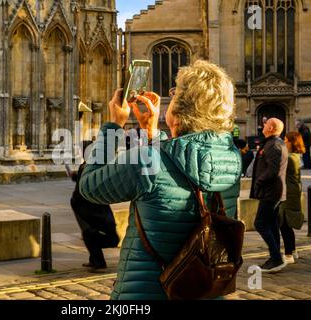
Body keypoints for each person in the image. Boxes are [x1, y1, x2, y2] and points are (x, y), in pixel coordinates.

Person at [79, 60, 242, 300]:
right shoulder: (230, 159)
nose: (171, 98)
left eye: (175, 94)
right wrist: (152, 133)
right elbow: (184, 163)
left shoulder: (147, 160)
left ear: (180, 111)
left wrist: (114, 126)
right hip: (205, 289)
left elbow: (89, 186)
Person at [70, 141, 119, 270]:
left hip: (94, 206)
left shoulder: (95, 166)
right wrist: (75, 176)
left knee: (106, 237)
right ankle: (97, 261)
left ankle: (97, 260)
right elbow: (83, 179)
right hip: (86, 206)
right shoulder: (86, 166)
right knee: (90, 233)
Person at [250, 118, 288, 273]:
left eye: (265, 124)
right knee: (271, 224)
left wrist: (259, 181)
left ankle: (276, 258)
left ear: (271, 127)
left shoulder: (274, 145)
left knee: (260, 223)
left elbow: (273, 171)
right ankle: (275, 257)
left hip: (271, 192)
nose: (262, 125)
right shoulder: (272, 143)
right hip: (271, 191)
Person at [279, 132, 306, 265]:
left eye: (285, 139)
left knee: (285, 224)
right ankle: (293, 250)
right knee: (286, 224)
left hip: (288, 194)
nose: (284, 141)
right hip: (292, 192)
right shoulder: (295, 156)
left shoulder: (290, 158)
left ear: (291, 142)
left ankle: (289, 254)